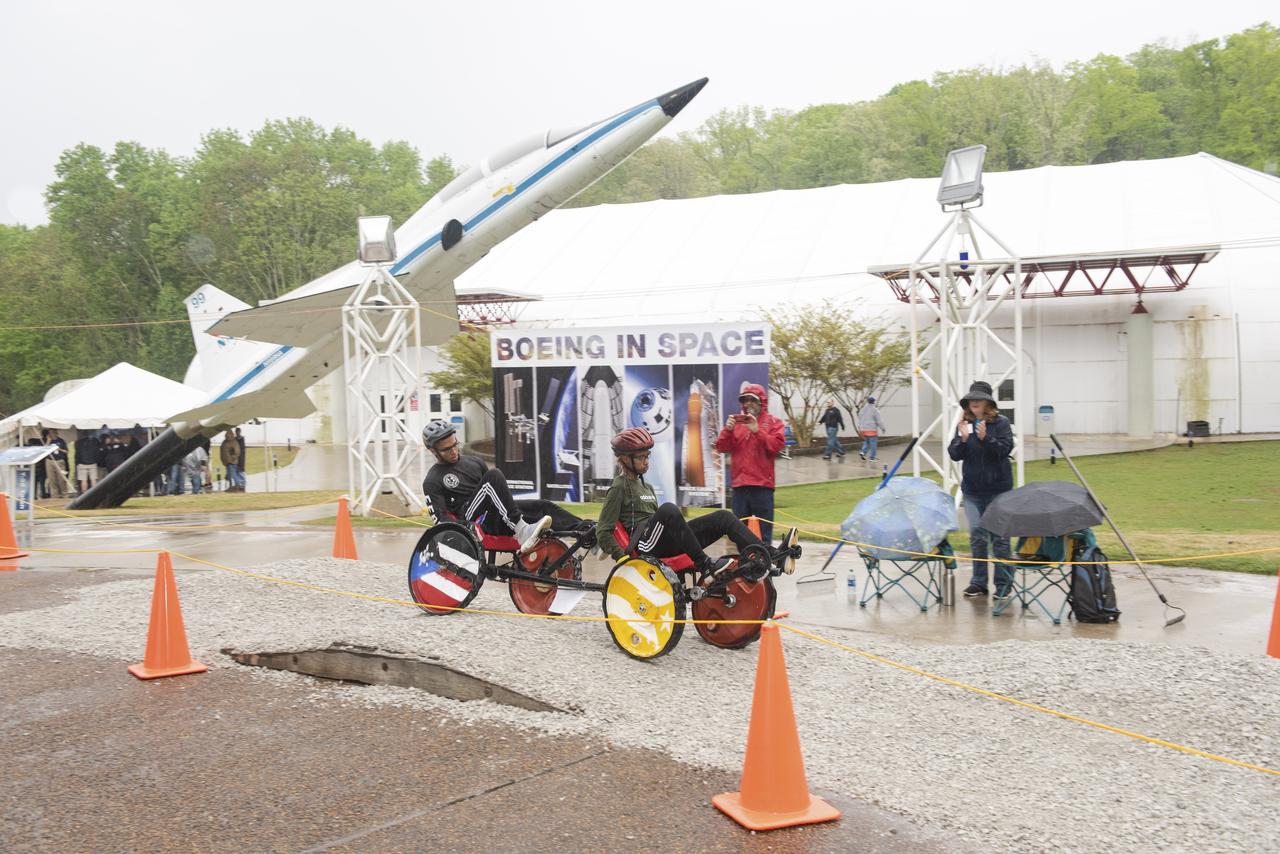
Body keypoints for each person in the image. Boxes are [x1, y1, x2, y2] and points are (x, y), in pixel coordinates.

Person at [596, 427, 773, 575]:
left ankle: (768, 554)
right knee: (668, 509)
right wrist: (620, 556)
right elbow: (603, 531)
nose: (646, 461)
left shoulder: (647, 487)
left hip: (663, 541)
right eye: (641, 457)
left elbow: (660, 525)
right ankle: (705, 565)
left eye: (647, 456)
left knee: (723, 517)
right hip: (645, 546)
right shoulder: (618, 487)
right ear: (625, 459)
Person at [420, 419, 579, 554]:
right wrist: (467, 527)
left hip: (495, 517)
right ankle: (522, 530)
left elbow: (495, 494)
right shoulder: (432, 480)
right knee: (494, 476)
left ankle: (587, 531)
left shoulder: (474, 462)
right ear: (433, 450)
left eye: (455, 445)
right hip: (472, 522)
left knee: (543, 506)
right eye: (447, 449)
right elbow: (442, 523)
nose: (454, 451)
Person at [947, 381, 1015, 600]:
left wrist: (987, 439)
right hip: (973, 491)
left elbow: (1004, 450)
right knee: (977, 536)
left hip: (999, 490)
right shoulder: (965, 424)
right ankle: (978, 583)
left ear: (988, 403)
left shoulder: (1001, 423)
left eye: (978, 399)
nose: (974, 402)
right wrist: (963, 440)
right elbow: (954, 454)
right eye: (971, 400)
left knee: (1000, 538)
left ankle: (1003, 585)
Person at [713, 383, 784, 545]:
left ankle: (765, 560)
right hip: (740, 487)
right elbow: (721, 447)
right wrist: (727, 430)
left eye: (752, 399)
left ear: (761, 402)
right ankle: (744, 561)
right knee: (739, 533)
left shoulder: (774, 422)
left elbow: (776, 446)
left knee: (764, 535)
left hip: (762, 487)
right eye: (744, 400)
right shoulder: (737, 424)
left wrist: (757, 431)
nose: (748, 403)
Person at [43, 429, 72, 498]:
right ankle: (54, 495)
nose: (52, 434)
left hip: (59, 461)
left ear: (56, 433)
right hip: (50, 461)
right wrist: (48, 441)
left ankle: (64, 493)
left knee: (61, 478)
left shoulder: (61, 441)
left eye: (53, 432)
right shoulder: (48, 441)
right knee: (52, 479)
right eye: (50, 433)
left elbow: (66, 451)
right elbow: (44, 450)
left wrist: (59, 449)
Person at [857, 396, 886, 461]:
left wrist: (860, 428)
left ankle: (863, 452)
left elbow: (860, 418)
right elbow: (879, 421)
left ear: (867, 401)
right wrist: (883, 428)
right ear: (873, 402)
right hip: (872, 430)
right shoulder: (875, 410)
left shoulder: (862, 409)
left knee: (866, 442)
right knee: (873, 443)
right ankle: (872, 457)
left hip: (864, 429)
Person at [74, 430, 102, 494]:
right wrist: (96, 460)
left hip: (82, 463)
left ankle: (85, 493)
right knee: (93, 479)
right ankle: (94, 493)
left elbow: (77, 453)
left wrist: (77, 462)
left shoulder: (78, 442)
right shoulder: (94, 441)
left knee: (84, 480)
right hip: (92, 463)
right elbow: (97, 452)